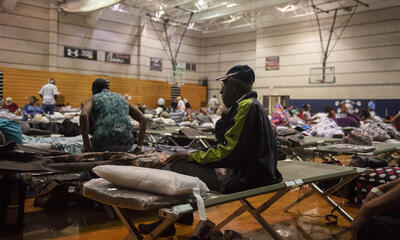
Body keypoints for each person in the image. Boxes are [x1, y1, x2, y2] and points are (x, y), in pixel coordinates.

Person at [139, 65, 282, 237]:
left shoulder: (246, 107)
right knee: (188, 161)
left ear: (235, 86)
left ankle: (167, 222)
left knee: (175, 164)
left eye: (224, 85)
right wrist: (225, 116)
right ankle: (181, 216)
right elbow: (227, 142)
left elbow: (228, 152)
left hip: (247, 177)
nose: (221, 92)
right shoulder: (251, 105)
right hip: (256, 171)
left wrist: (193, 156)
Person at [80, 78, 146, 152]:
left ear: (94, 90)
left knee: (83, 148)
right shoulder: (122, 98)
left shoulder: (94, 98)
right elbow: (142, 118)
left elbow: (83, 115)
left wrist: (86, 145)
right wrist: (139, 146)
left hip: (102, 144)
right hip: (126, 144)